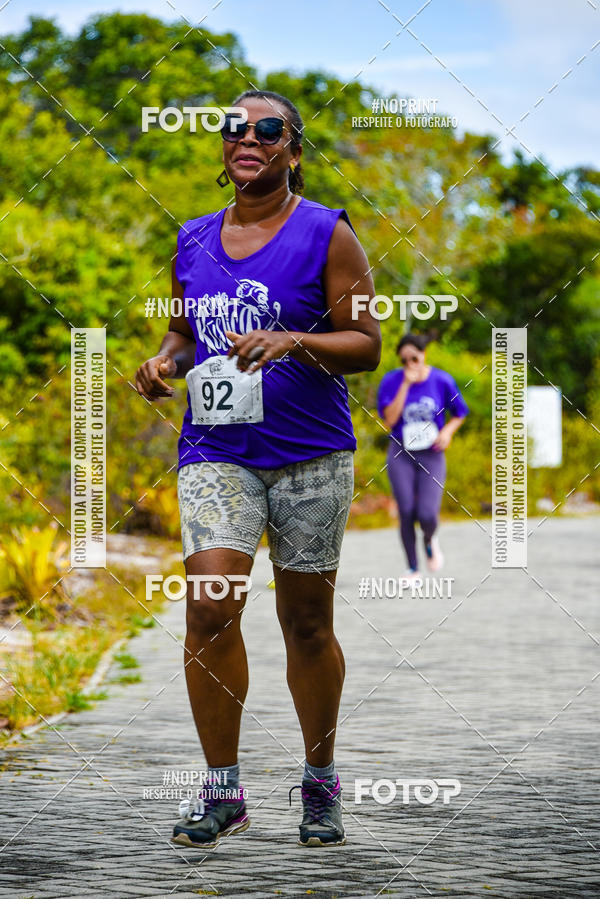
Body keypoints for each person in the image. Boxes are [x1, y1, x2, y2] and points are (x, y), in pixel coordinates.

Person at [135, 89, 380, 849]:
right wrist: (164, 363)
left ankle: (319, 782)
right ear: (223, 149)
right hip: (217, 450)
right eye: (234, 128)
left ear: (293, 151)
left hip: (310, 451)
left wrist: (291, 339)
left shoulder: (326, 234)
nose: (249, 138)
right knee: (210, 606)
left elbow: (366, 345)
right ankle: (222, 790)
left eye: (267, 129)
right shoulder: (194, 237)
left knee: (307, 622)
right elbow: (184, 330)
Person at [377, 334, 468, 578]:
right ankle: (412, 568)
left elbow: (460, 412)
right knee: (406, 510)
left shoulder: (441, 380)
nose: (410, 364)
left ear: (423, 354)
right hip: (401, 451)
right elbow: (390, 420)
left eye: (414, 358)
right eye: (404, 360)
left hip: (431, 453)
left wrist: (447, 432)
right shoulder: (392, 381)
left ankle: (430, 540)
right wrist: (405, 385)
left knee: (427, 513)